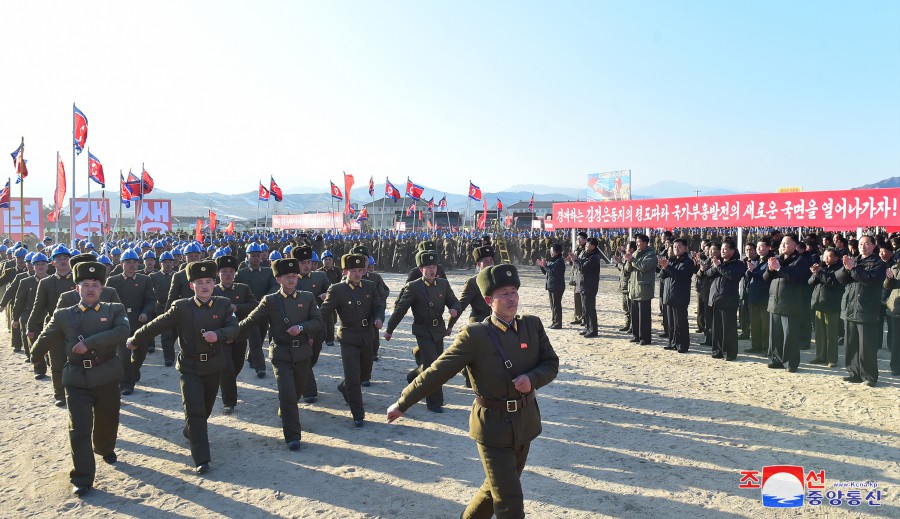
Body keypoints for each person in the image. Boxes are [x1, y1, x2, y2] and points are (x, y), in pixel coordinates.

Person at [386, 264, 559, 519]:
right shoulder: (475, 334)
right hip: (493, 427)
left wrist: (532, 379)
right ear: (489, 300)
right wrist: (403, 402)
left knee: (495, 489)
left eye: (514, 292)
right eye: (504, 294)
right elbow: (437, 371)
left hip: (525, 422)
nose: (512, 298)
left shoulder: (531, 326)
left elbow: (551, 363)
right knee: (510, 501)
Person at [29, 261, 130, 497]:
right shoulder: (64, 314)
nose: (91, 289)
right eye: (86, 284)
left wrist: (89, 343)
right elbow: (46, 337)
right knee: (79, 429)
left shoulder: (115, 309)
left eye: (95, 285)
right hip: (76, 380)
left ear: (102, 288)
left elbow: (122, 332)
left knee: (107, 421)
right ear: (77, 289)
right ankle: (82, 478)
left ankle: (104, 447)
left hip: (106, 376)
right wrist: (35, 356)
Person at [127, 260, 239, 474]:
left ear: (214, 284)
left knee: (204, 410)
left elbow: (234, 328)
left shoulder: (223, 304)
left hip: (214, 366)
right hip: (190, 366)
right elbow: (158, 323)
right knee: (195, 411)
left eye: (208, 282)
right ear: (191, 286)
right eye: (199, 282)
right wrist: (136, 338)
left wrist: (220, 335)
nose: (204, 286)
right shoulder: (182, 307)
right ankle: (202, 459)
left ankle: (191, 430)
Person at [239, 258, 322, 449]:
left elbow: (318, 321)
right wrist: (226, 334)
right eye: (287, 277)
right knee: (287, 394)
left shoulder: (307, 297)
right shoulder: (270, 301)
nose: (292, 280)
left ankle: (285, 411)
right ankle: (293, 435)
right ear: (278, 280)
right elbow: (250, 321)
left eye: (294, 276)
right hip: (281, 353)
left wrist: (302, 327)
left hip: (302, 352)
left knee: (297, 392)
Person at [384, 249, 461, 412]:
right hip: (423, 330)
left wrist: (454, 310)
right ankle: (434, 402)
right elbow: (400, 310)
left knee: (433, 364)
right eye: (428, 267)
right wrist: (389, 329)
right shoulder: (413, 287)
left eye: (435, 266)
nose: (433, 270)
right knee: (434, 367)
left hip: (438, 330)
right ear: (421, 269)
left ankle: (414, 376)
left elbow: (454, 302)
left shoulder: (443, 284)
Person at [318, 254, 385, 427]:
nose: (357, 274)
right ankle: (358, 414)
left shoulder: (369, 286)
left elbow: (378, 306)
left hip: (367, 335)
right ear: (346, 271)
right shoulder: (337, 289)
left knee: (364, 374)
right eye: (353, 271)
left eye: (360, 270)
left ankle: (345, 387)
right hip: (348, 336)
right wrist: (309, 325)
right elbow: (324, 312)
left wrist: (379, 319)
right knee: (353, 377)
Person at [835, 235, 885, 386]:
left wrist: (853, 269)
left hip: (866, 308)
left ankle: (869, 376)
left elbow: (869, 279)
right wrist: (846, 267)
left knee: (866, 346)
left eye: (866, 244)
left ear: (873, 245)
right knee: (851, 344)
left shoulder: (878, 264)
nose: (863, 246)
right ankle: (854, 372)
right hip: (850, 307)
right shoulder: (854, 260)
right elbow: (839, 278)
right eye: (861, 244)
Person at [212, 255, 259, 414]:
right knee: (227, 368)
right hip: (220, 336)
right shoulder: (213, 290)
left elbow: (254, 305)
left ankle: (227, 383)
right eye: (224, 271)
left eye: (231, 271)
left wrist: (237, 308)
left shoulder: (243, 288)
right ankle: (229, 401)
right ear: (218, 273)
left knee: (237, 365)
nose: (227, 274)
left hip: (239, 334)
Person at [106, 249, 156, 396]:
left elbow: (150, 300)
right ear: (122, 263)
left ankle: (134, 371)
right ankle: (126, 384)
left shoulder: (145, 280)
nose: (132, 265)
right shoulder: (113, 280)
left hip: (139, 322)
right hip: (120, 324)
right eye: (128, 262)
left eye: (134, 262)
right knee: (124, 355)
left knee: (140, 353)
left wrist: (145, 313)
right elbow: (107, 302)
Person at [763, 234, 811, 373]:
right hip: (774, 302)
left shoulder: (801, 260)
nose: (782, 246)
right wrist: (770, 269)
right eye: (782, 243)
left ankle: (790, 362)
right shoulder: (777, 259)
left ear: (795, 245)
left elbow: (797, 278)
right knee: (775, 335)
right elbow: (766, 278)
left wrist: (779, 269)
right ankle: (776, 359)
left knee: (789, 335)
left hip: (790, 303)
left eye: (786, 243)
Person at [289, 246, 330, 403]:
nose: (306, 265)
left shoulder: (320, 276)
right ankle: (309, 391)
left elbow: (331, 289)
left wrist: (328, 293)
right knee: (303, 358)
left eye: (308, 261)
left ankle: (301, 378)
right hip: (297, 326)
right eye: (302, 262)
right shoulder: (290, 279)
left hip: (318, 325)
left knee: (312, 357)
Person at [235, 242, 278, 377]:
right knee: (254, 337)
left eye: (257, 256)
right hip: (248, 310)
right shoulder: (241, 273)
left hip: (264, 308)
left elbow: (274, 287)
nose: (255, 258)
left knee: (260, 335)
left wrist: (265, 299)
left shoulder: (268, 271)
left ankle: (251, 357)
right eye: (253, 255)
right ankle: (260, 367)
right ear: (247, 256)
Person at [706, 239, 744, 361]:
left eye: (725, 249)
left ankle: (730, 352)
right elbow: (708, 274)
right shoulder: (719, 262)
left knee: (729, 329)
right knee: (717, 328)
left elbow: (732, 276)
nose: (722, 251)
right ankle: (717, 351)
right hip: (716, 298)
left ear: (732, 250)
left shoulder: (738, 264)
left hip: (728, 299)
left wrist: (719, 266)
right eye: (721, 249)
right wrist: (714, 266)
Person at [808, 248, 844, 367]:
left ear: (836, 258)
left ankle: (832, 358)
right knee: (819, 334)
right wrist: (815, 273)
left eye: (829, 256)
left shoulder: (839, 269)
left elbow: (830, 281)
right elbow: (810, 282)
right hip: (819, 304)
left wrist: (819, 273)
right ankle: (820, 356)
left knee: (831, 334)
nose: (825, 258)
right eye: (825, 256)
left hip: (831, 305)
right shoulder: (822, 267)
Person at [658, 239, 694, 353]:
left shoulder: (688, 262)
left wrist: (668, 267)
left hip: (680, 296)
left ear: (684, 248)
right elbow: (662, 276)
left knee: (680, 323)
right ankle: (672, 342)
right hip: (669, 295)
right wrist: (665, 266)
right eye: (674, 247)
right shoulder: (672, 260)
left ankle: (682, 345)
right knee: (671, 324)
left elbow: (681, 275)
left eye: (679, 247)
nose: (676, 249)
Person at [625, 234, 657, 345]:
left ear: (645, 243)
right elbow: (627, 269)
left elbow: (644, 266)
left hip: (644, 289)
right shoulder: (635, 253)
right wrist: (628, 261)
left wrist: (633, 259)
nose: (637, 244)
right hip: (633, 288)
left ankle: (645, 338)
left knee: (644, 316)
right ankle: (636, 335)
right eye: (636, 242)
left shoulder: (651, 254)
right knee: (635, 315)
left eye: (639, 242)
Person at [744, 239, 773, 354]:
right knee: (755, 323)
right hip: (753, 295)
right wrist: (749, 271)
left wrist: (754, 270)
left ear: (768, 247)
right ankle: (755, 345)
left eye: (761, 247)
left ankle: (766, 347)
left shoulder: (771, 260)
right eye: (758, 247)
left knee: (765, 325)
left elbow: (766, 276)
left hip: (765, 296)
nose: (758, 249)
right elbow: (747, 276)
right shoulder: (755, 260)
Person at [572, 238, 601, 337]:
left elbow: (583, 268)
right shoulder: (587, 255)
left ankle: (592, 330)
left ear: (593, 246)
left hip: (589, 286)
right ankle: (587, 327)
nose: (586, 247)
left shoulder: (594, 257)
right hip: (584, 286)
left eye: (588, 245)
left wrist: (575, 260)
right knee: (585, 309)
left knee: (590, 309)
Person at [537, 243, 566, 329]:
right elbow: (546, 272)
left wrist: (545, 265)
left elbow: (553, 272)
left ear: (557, 251)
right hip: (551, 285)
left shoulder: (560, 261)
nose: (551, 253)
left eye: (552, 251)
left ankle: (558, 323)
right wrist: (542, 266)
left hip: (557, 286)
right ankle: (554, 321)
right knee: (552, 305)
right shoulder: (553, 260)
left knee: (556, 305)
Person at [566, 232, 587, 326]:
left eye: (580, 238)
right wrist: (570, 261)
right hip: (575, 277)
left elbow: (582, 263)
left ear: (585, 239)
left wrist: (575, 259)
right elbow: (573, 264)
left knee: (583, 299)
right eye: (577, 238)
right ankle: (577, 316)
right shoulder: (576, 250)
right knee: (576, 299)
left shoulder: (586, 250)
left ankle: (584, 318)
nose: (578, 240)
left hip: (582, 277)